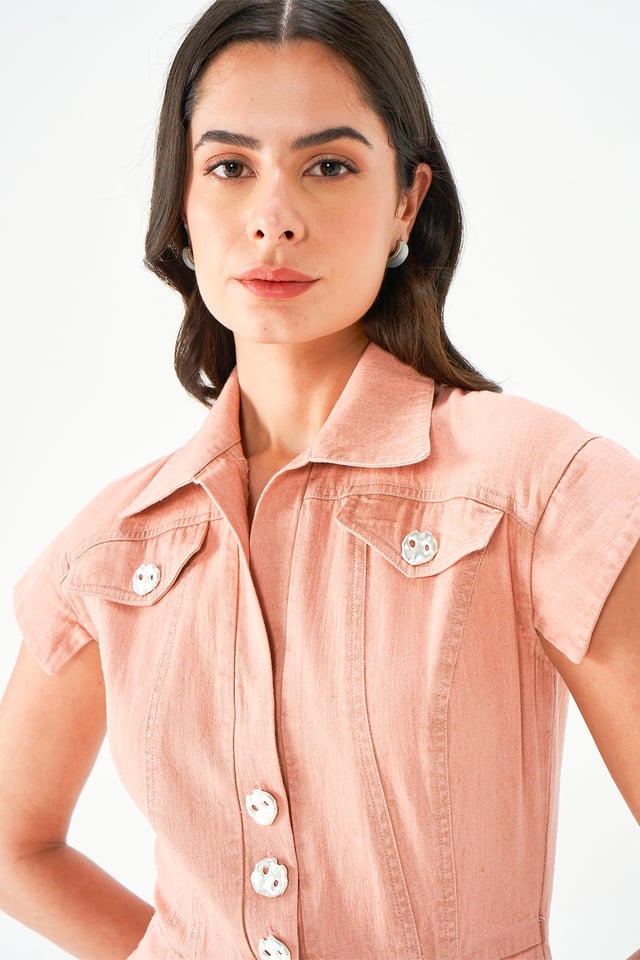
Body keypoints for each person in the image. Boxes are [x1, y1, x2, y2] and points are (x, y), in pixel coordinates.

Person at [0, 1, 638, 958]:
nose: (274, 219)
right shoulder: (113, 547)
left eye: (329, 166)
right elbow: (13, 844)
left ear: (407, 201)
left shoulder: (539, 486)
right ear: (181, 203)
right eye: (229, 167)